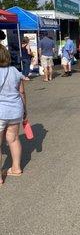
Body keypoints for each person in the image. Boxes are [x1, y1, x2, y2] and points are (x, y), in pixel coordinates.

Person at [0, 45, 27, 183]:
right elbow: (21, 92)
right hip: (15, 110)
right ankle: (16, 168)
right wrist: (25, 110)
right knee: (14, 139)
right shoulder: (15, 71)